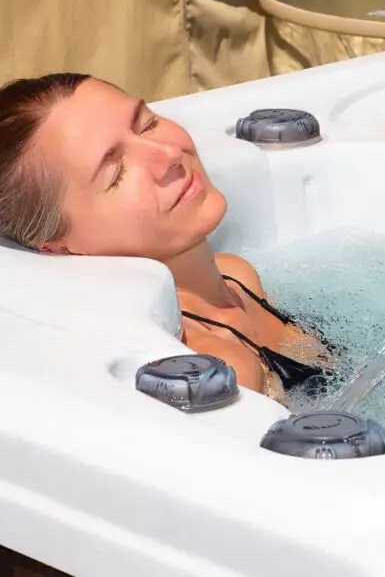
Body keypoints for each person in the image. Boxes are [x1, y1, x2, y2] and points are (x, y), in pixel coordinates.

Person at [0, 73, 341, 406]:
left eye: (147, 123)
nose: (168, 154)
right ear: (57, 246)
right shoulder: (213, 368)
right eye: (116, 172)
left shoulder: (237, 275)